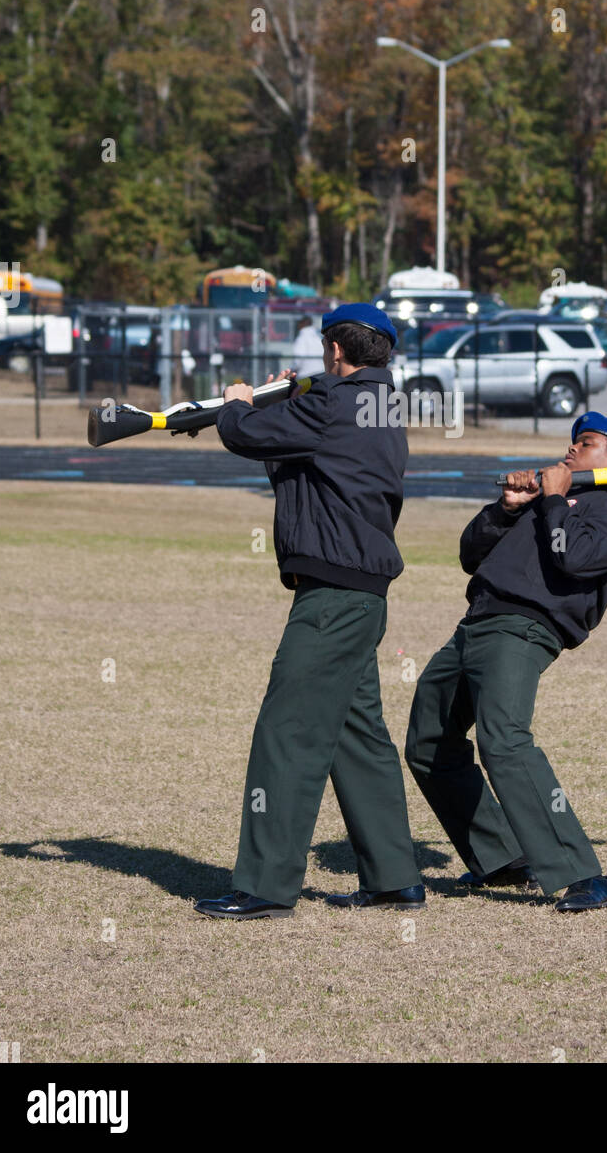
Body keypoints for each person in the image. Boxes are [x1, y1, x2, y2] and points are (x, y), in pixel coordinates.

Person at [195, 303, 424, 919]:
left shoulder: (332, 405)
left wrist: (238, 402)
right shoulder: (379, 405)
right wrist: (281, 399)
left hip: (332, 594)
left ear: (334, 350)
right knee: (357, 735)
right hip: (363, 591)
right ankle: (394, 876)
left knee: (287, 729)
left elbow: (246, 435)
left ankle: (266, 885)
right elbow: (303, 456)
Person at [404, 412, 607, 913]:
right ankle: (502, 859)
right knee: (429, 740)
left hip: (524, 627)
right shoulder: (537, 502)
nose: (571, 450)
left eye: (586, 443)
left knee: (504, 739)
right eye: (572, 442)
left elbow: (572, 557)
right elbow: (471, 554)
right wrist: (507, 508)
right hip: (476, 621)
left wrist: (555, 500)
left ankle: (583, 873)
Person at [292, 315, 325, 379]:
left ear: (302, 323)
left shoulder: (302, 337)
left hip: (305, 376)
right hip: (321, 374)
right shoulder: (318, 337)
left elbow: (297, 359)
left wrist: (292, 370)